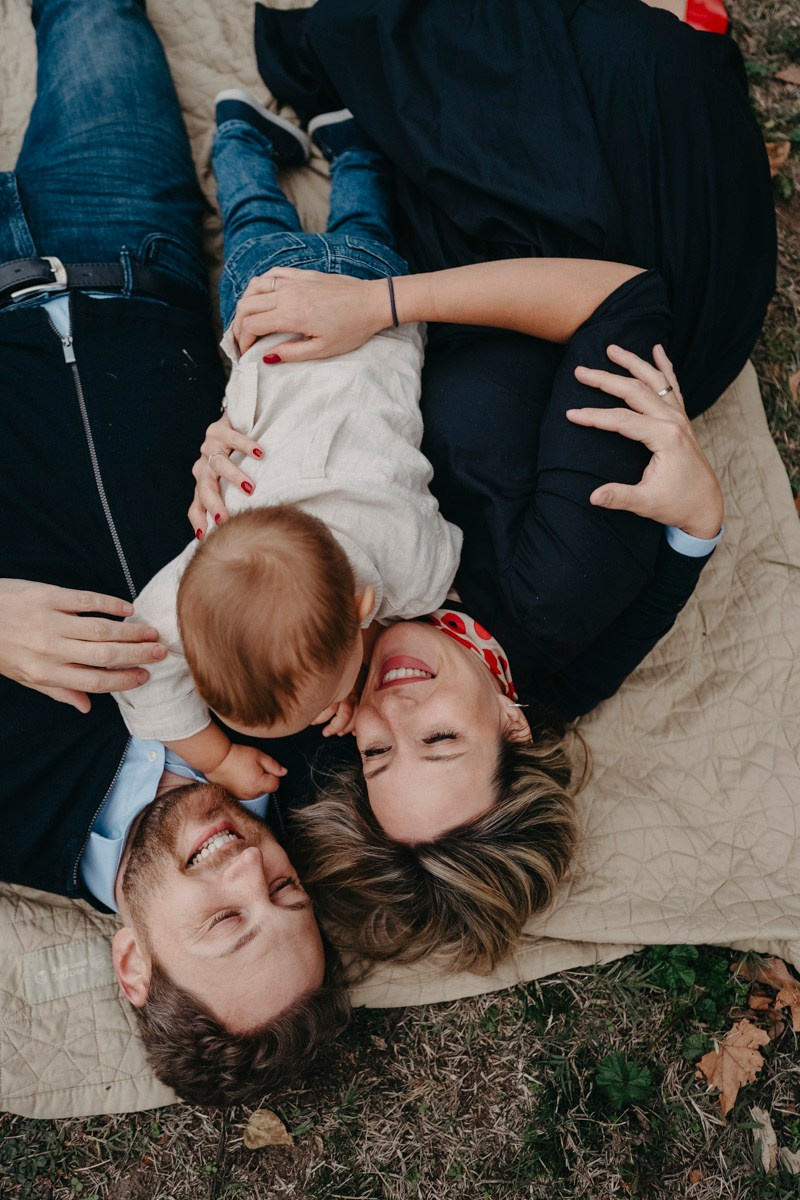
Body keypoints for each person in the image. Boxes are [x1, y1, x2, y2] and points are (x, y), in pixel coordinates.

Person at [192, 0, 775, 972]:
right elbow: (615, 298)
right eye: (441, 741)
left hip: (465, 273)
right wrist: (377, 305)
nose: (392, 712)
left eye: (378, 756)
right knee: (321, 33)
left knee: (308, 47)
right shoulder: (558, 581)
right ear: (510, 722)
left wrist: (222, 458)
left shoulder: (347, 644)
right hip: (600, 246)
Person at [0, 0, 349, 1106]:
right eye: (288, 898)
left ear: (133, 962)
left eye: (225, 925)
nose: (251, 868)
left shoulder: (11, 821)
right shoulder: (291, 733)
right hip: (129, 248)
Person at [113, 93, 462, 799]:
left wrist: (219, 759)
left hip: (373, 303)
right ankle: (243, 131)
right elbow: (145, 671)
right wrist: (217, 753)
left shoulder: (410, 565)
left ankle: (352, 140)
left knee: (365, 219)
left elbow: (443, 550)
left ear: (367, 608)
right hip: (270, 307)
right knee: (253, 218)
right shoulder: (190, 585)